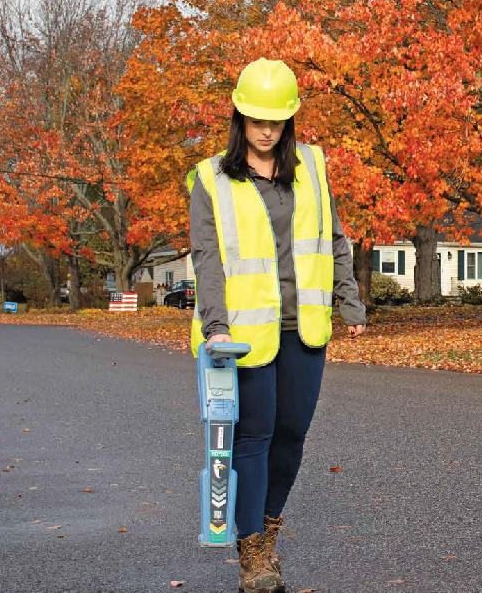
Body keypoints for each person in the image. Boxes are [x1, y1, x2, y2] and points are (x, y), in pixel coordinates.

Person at [187, 58, 367, 593]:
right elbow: (207, 258)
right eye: (256, 118)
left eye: (276, 120)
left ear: (289, 120)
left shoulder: (312, 166)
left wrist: (348, 301)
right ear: (239, 115)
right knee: (255, 436)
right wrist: (215, 326)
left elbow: (334, 239)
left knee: (292, 434)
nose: (266, 130)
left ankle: (268, 524)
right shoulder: (210, 177)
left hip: (304, 327)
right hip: (242, 333)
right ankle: (253, 552)